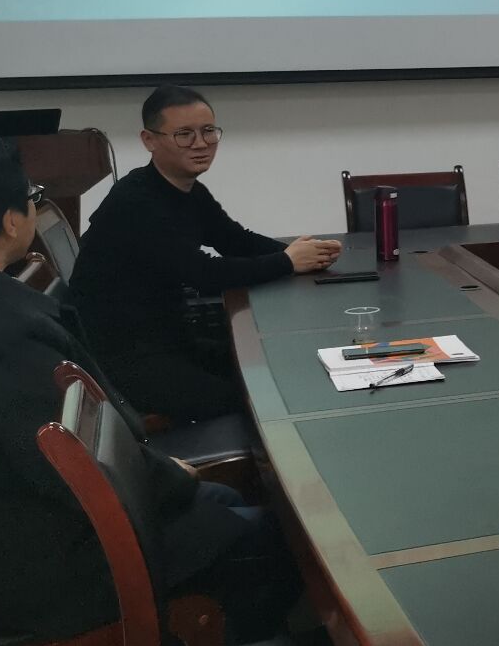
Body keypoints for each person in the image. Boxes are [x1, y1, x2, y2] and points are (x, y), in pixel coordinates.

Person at [0, 128, 299, 646]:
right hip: (44, 569)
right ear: (11, 221)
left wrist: (166, 474)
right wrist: (170, 475)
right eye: (32, 197)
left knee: (232, 505)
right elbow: (73, 463)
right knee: (280, 542)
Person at [70, 86, 342, 424]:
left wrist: (305, 253)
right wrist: (287, 261)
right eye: (184, 134)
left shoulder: (188, 190)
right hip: (127, 361)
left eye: (208, 131)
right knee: (264, 396)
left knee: (282, 367)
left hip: (172, 340)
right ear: (149, 140)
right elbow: (204, 275)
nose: (200, 144)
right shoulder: (137, 201)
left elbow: (235, 240)